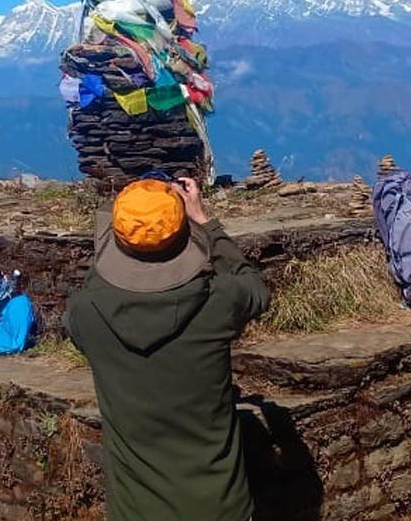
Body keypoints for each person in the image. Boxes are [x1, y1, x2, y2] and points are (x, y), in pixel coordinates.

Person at [65, 177, 271, 521]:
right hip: (220, 508)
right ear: (183, 238)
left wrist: (117, 236)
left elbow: (94, 285)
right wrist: (204, 220)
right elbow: (255, 288)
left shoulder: (86, 316)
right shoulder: (218, 301)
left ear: (115, 243)